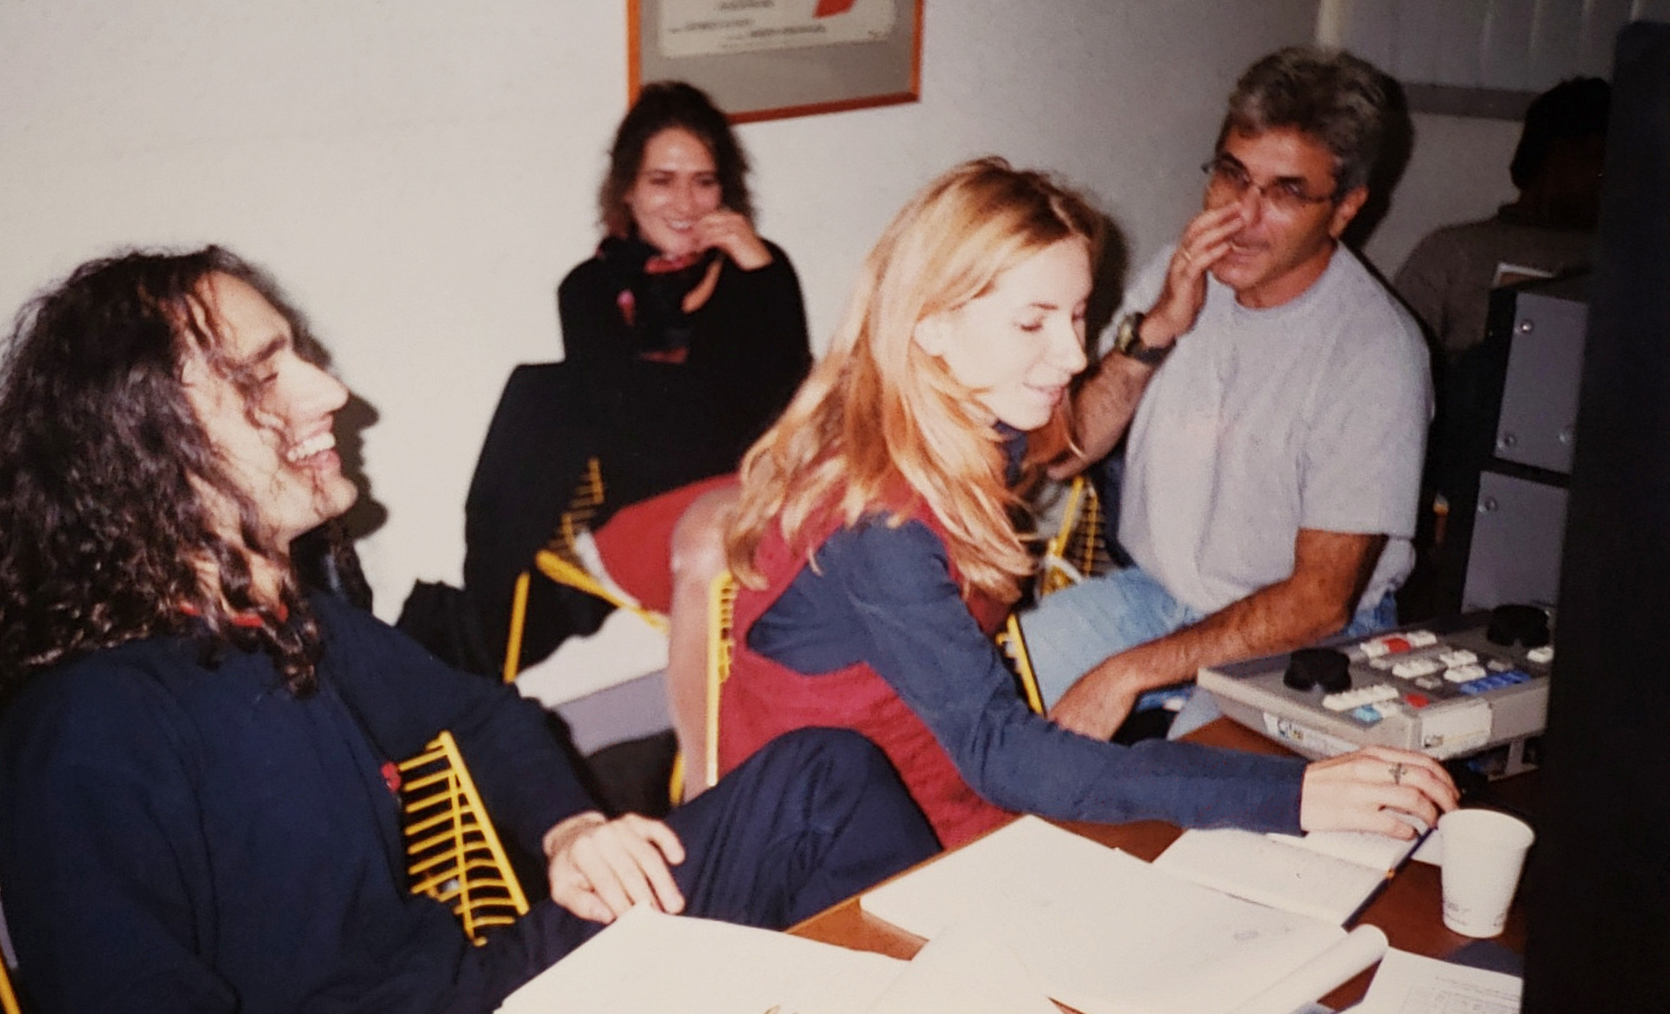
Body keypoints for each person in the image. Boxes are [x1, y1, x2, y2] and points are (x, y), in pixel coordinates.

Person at [0, 247, 936, 1014]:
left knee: (825, 776)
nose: (328, 391)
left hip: (470, 1008)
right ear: (144, 444)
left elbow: (480, 710)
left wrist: (569, 829)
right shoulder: (85, 727)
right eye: (264, 373)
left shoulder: (289, 622)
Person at [710, 158, 1456, 851]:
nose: (1072, 355)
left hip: (925, 773)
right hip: (833, 836)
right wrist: (1295, 794)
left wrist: (1155, 330)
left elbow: (1064, 445)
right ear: (931, 324)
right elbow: (1000, 751)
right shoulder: (880, 520)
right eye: (1033, 322)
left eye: (1077, 316)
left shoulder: (969, 421)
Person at [1015, 46, 1432, 742]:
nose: (1241, 216)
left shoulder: (1376, 353)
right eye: (1233, 176)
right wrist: (1154, 332)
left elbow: (1319, 603)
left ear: (1345, 210)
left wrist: (1127, 672)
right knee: (979, 700)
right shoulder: (1178, 272)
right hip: (1158, 600)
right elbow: (1062, 454)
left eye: (1286, 193)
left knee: (1191, 791)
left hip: (1301, 640)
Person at [460, 80, 810, 674]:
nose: (686, 204)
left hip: (758, 496)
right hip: (650, 516)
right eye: (662, 181)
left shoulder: (757, 271)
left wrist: (763, 274)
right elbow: (643, 443)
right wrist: (735, 410)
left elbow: (791, 407)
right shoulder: (590, 290)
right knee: (800, 587)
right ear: (628, 189)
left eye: (704, 181)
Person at [1394, 76, 1608, 360]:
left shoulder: (1625, 264)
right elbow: (1394, 355)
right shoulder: (1454, 252)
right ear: (1553, 154)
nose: (1601, 177)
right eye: (1594, 157)